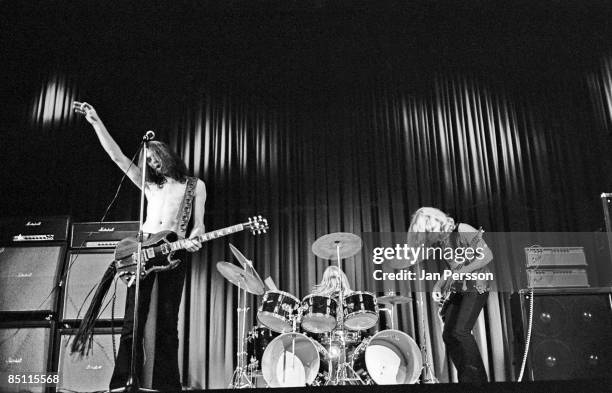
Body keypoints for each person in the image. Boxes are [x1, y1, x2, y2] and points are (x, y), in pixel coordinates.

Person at [74, 102, 206, 391]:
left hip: (174, 252)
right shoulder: (150, 184)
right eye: (149, 161)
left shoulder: (194, 186)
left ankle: (168, 384)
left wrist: (196, 237)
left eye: (155, 159)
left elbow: (198, 224)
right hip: (142, 250)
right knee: (133, 321)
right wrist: (96, 122)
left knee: (168, 322)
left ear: (166, 154)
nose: (152, 165)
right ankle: (123, 382)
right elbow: (118, 158)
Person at [407, 207, 493, 384]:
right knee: (449, 334)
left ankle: (477, 381)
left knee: (460, 331)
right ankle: (466, 378)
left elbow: (487, 256)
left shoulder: (462, 229)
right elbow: (455, 267)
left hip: (477, 284)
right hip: (460, 287)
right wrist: (440, 283)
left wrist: (459, 273)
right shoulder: (442, 241)